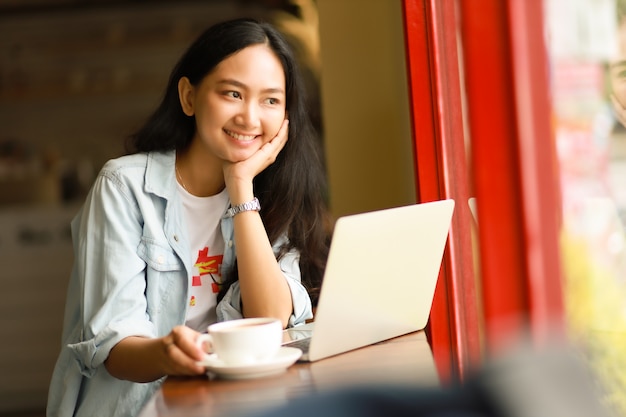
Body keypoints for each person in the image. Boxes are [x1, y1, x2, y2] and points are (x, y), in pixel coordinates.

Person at [46, 17, 330, 417]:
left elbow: (271, 318)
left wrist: (240, 186)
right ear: (189, 97)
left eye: (270, 100)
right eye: (233, 93)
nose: (250, 118)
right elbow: (111, 347)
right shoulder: (123, 187)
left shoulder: (274, 193)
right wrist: (167, 355)